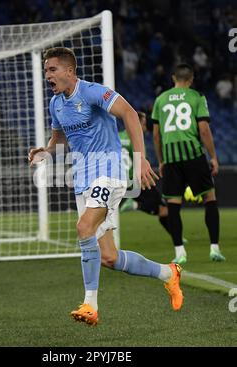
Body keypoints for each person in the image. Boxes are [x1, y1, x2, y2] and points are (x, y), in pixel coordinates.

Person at [28, 47, 183, 326]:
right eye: (46, 70)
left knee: (83, 228)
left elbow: (130, 115)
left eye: (52, 69)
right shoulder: (55, 104)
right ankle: (168, 273)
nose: (47, 75)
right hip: (82, 179)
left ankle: (90, 305)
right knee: (109, 257)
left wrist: (140, 159)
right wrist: (46, 151)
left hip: (109, 173)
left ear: (69, 71)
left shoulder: (92, 92)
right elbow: (60, 140)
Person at [152, 63, 225, 265]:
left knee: (173, 204)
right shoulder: (197, 97)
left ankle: (179, 252)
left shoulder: (160, 99)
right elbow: (204, 130)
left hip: (171, 158)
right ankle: (214, 249)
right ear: (191, 79)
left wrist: (160, 160)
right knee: (209, 198)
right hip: (193, 154)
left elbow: (156, 135)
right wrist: (213, 157)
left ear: (173, 78)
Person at [120, 111, 188, 246]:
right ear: (137, 123)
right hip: (136, 180)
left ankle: (178, 237)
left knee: (162, 209)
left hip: (119, 180)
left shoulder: (117, 136)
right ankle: (134, 205)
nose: (145, 127)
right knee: (163, 210)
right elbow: (138, 160)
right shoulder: (136, 138)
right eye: (144, 124)